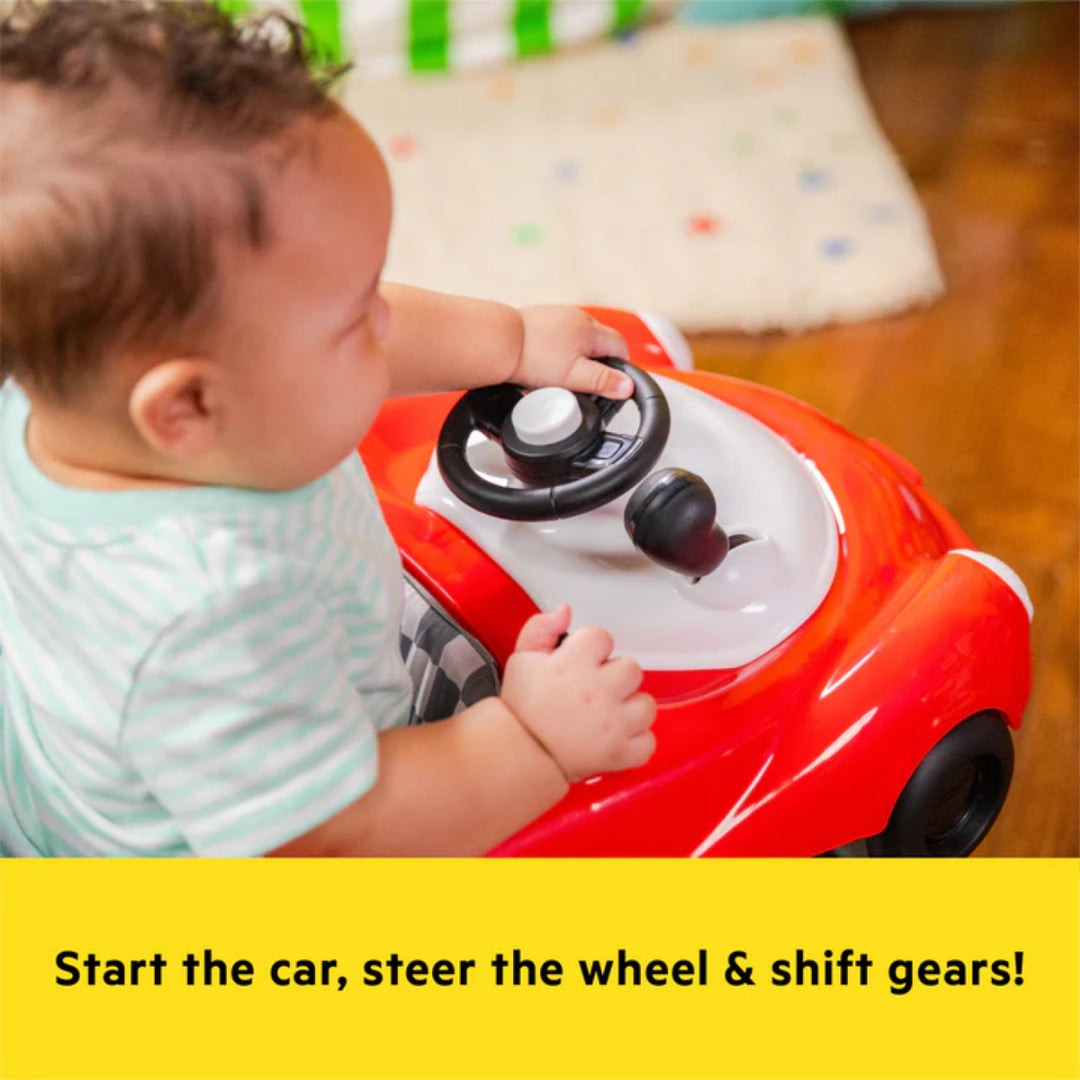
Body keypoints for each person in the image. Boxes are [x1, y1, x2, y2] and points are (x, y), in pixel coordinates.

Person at [0, 0, 657, 858]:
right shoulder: (209, 610)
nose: (384, 325)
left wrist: (513, 340)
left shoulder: (69, 390)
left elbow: (378, 331)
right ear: (188, 411)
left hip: (164, 750)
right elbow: (332, 843)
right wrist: (533, 743)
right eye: (357, 319)